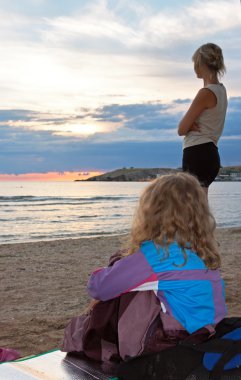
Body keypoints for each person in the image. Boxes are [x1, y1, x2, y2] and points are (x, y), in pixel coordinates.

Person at [86, 172, 227, 358]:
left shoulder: (157, 254)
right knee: (149, 284)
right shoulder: (203, 251)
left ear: (152, 212)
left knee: (130, 291)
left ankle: (114, 350)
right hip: (212, 336)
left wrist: (114, 265)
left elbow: (98, 288)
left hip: (179, 346)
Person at [178, 43, 228, 194]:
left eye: (195, 63)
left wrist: (190, 124)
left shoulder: (205, 93)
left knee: (194, 209)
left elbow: (181, 129)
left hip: (197, 152)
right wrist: (191, 124)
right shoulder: (221, 90)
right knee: (201, 210)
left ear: (201, 64)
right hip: (210, 152)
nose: (194, 67)